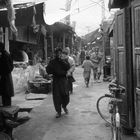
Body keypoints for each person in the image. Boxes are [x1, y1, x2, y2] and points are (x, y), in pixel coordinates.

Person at [46, 47, 70, 118]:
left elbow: (68, 67)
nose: (58, 54)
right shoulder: (52, 61)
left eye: (60, 53)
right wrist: (51, 71)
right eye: (57, 53)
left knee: (66, 95)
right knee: (57, 97)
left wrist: (62, 60)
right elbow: (48, 70)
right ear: (55, 54)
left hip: (63, 80)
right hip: (56, 81)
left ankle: (64, 106)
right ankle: (58, 111)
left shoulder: (64, 60)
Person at [0, 42, 14, 106]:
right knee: (6, 94)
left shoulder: (4, 55)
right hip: (6, 76)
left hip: (5, 77)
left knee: (6, 93)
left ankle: (7, 113)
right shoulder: (6, 54)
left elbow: (7, 67)